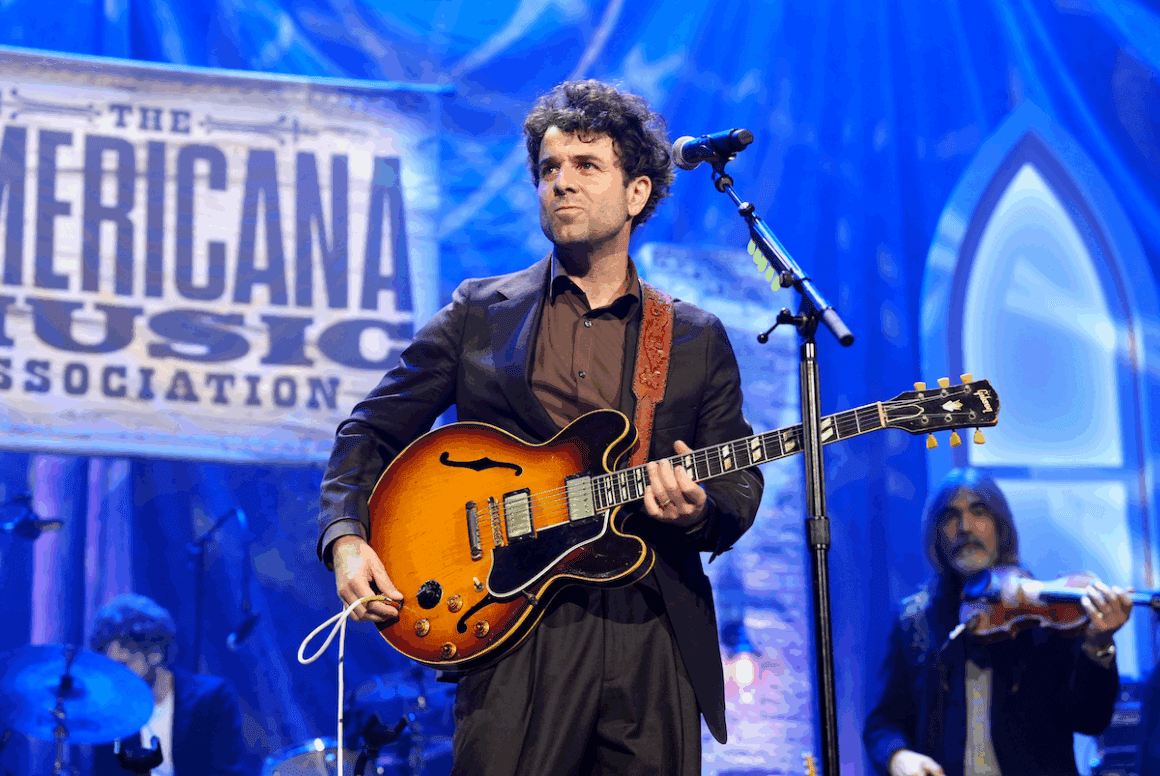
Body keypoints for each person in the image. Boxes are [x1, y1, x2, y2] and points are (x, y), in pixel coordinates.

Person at [317, 79, 764, 775]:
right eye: (549, 169)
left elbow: (737, 477)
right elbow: (370, 431)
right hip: (508, 626)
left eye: (586, 166)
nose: (561, 183)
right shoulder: (479, 312)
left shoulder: (693, 338)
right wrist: (346, 540)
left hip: (650, 632)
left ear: (638, 192)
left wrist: (702, 509)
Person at [863, 468, 1134, 776]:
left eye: (979, 512)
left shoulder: (1042, 616)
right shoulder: (914, 621)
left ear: (1001, 525)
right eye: (950, 516)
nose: (964, 527)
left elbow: (1089, 720)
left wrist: (1098, 645)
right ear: (936, 535)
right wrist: (898, 756)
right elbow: (882, 722)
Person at [88, 594, 245, 776]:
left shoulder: (212, 698)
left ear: (156, 654)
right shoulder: (112, 711)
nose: (117, 677)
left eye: (124, 664)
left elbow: (224, 771)